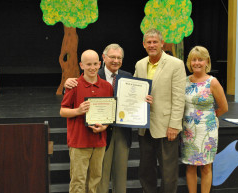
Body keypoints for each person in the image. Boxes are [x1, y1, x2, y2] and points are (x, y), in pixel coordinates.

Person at [65, 44, 145, 193]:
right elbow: (72, 92)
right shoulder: (93, 73)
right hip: (98, 134)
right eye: (112, 57)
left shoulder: (128, 76)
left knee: (120, 177)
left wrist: (144, 99)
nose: (115, 60)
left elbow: (134, 100)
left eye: (119, 58)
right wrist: (67, 83)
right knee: (98, 178)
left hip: (121, 131)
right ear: (103, 58)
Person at [133, 28, 186, 193]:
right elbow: (133, 91)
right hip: (145, 126)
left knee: (168, 172)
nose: (152, 45)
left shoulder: (175, 64)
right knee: (146, 170)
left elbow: (179, 97)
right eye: (148, 42)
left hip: (166, 127)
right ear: (143, 45)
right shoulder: (140, 64)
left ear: (162, 43)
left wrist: (175, 125)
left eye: (155, 41)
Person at [60, 49, 113, 193]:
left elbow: (109, 114)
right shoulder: (74, 85)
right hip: (79, 142)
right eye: (88, 64)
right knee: (78, 182)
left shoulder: (107, 87)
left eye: (95, 64)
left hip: (99, 141)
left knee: (95, 180)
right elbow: (62, 111)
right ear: (81, 65)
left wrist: (104, 127)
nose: (92, 67)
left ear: (100, 64)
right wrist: (78, 111)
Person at [181, 46, 228, 193]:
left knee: (206, 166)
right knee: (190, 165)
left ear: (207, 61)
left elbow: (224, 107)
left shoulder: (212, 82)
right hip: (188, 130)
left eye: (200, 59)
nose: (197, 63)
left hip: (207, 130)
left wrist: (208, 117)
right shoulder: (185, 81)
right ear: (189, 62)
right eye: (193, 60)